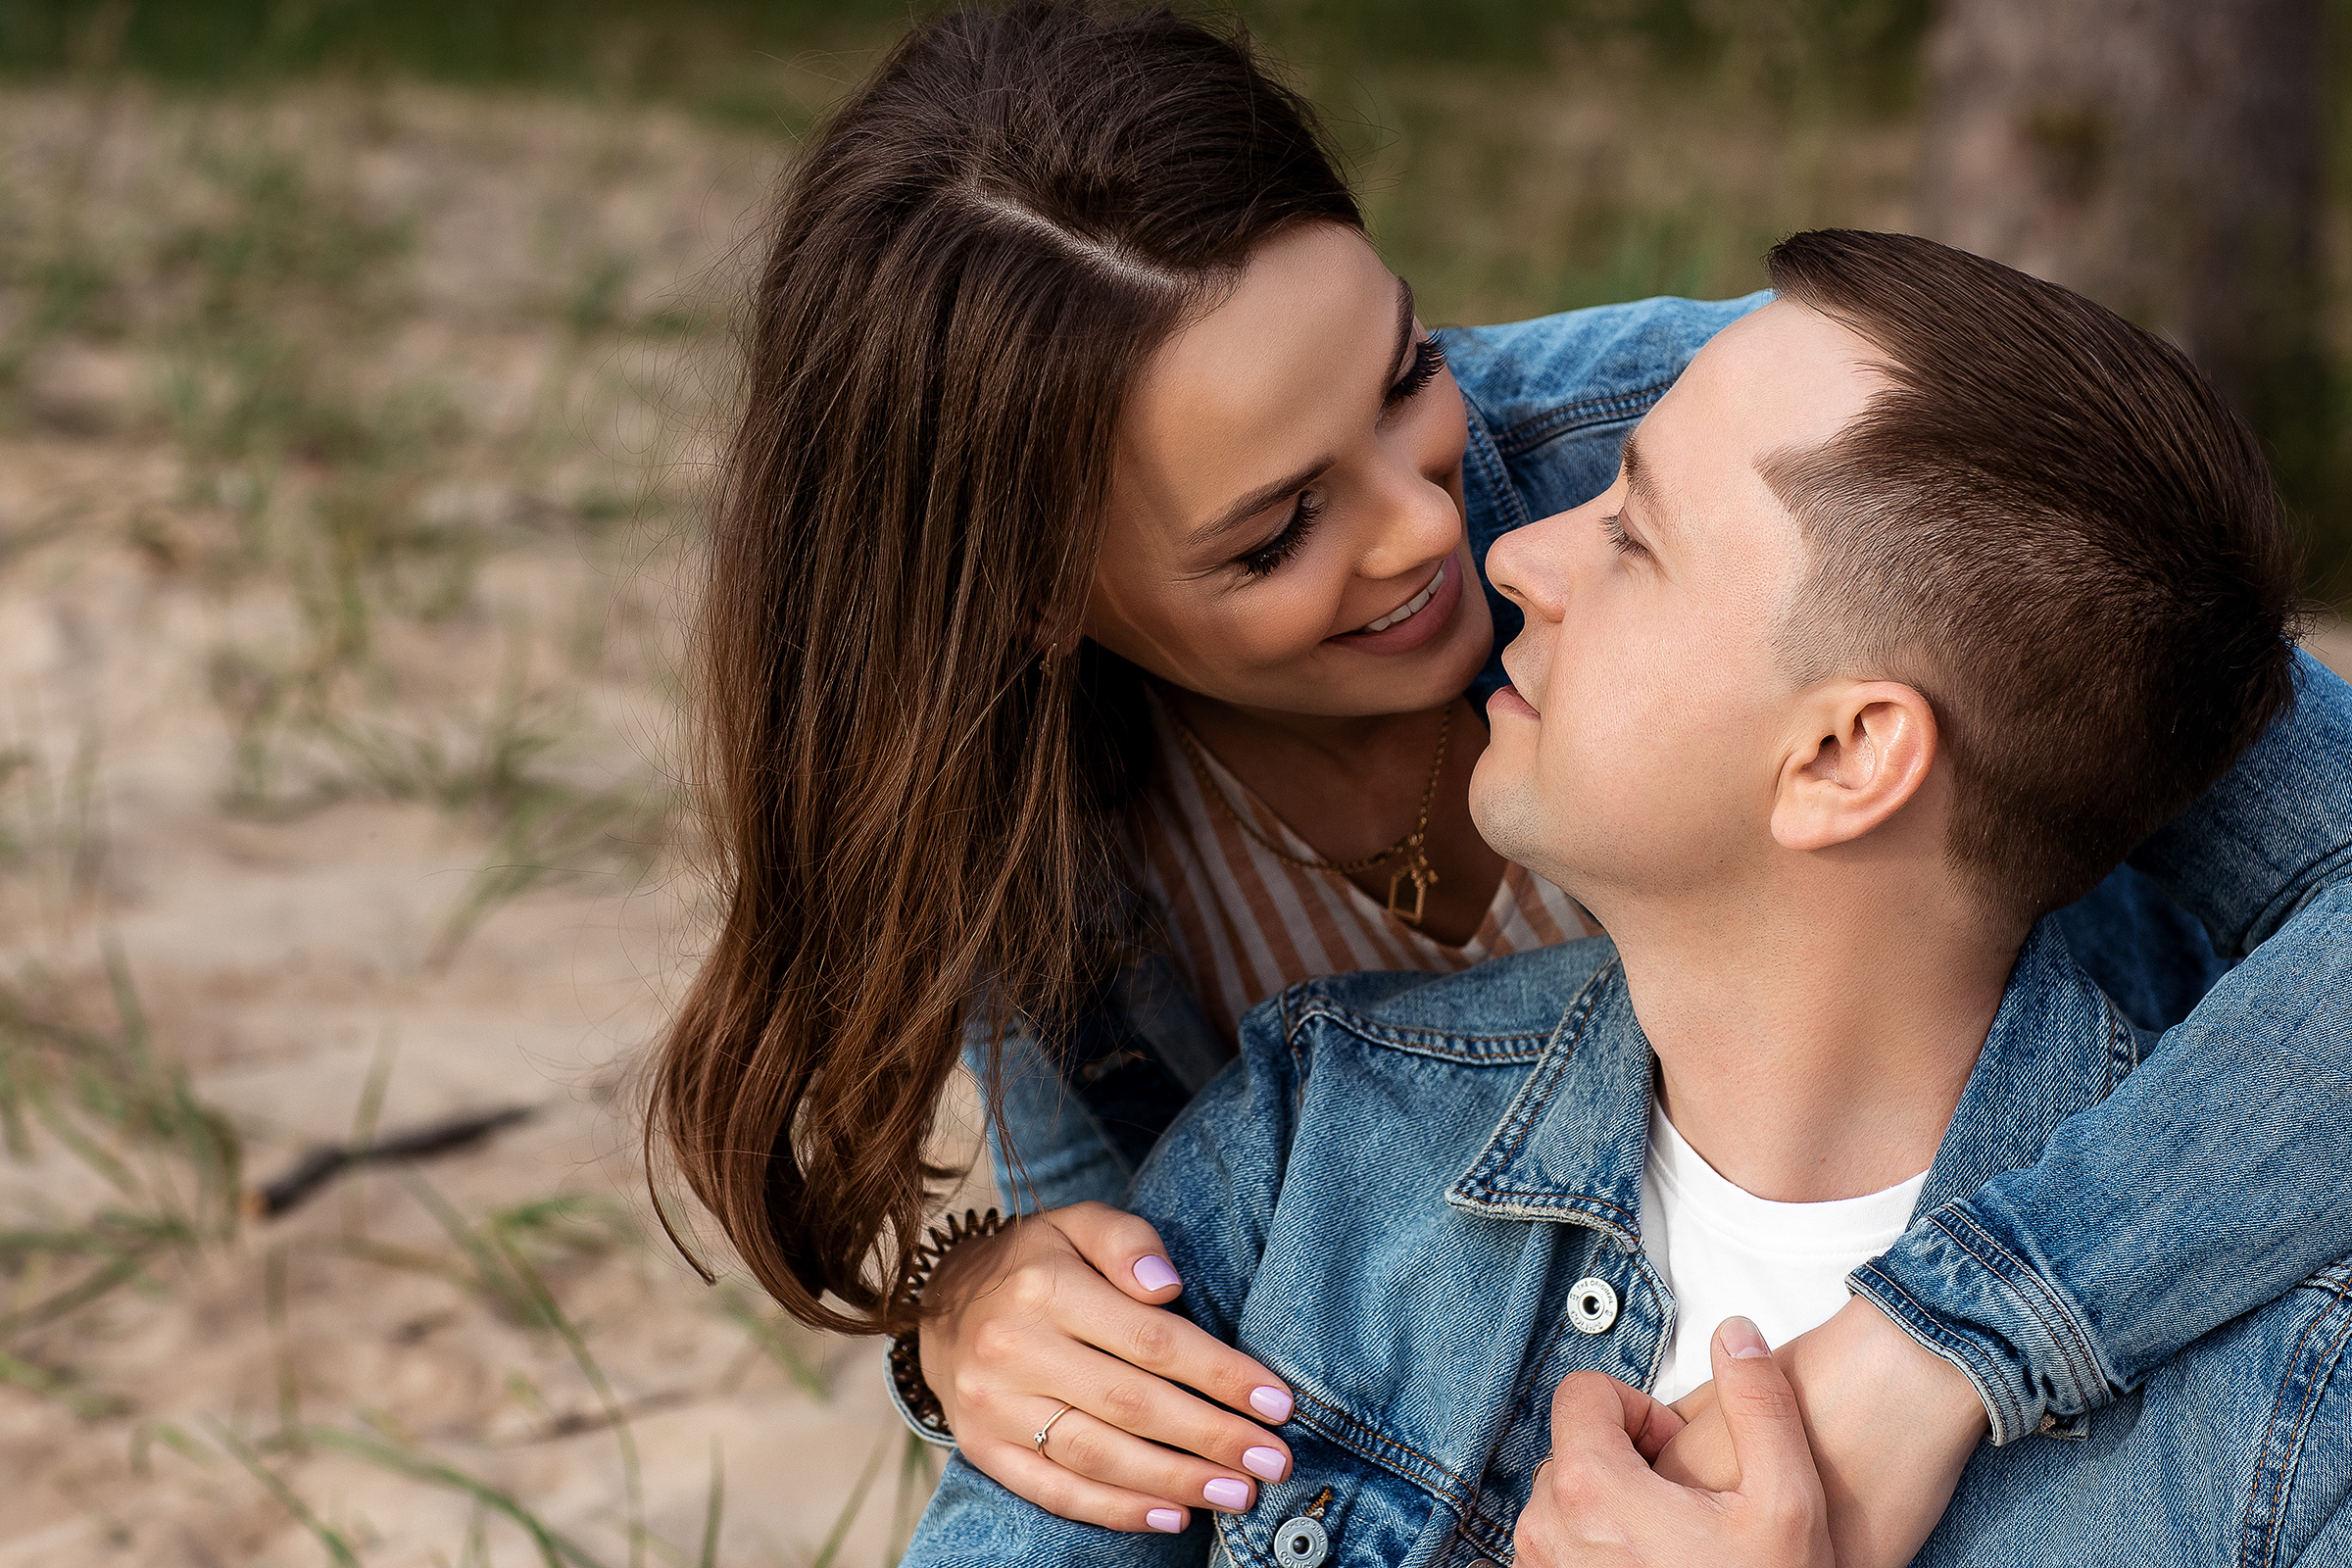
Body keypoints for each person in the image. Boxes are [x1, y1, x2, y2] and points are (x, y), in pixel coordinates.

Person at [645, 2, 2352, 1551]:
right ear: (1027, 599)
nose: (1451, 534)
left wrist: (1949, 1345)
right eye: (1275, 531)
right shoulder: (1038, 828)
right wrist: (994, 1313)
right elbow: (1160, 1344)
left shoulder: (1741, 452)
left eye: (1406, 372)